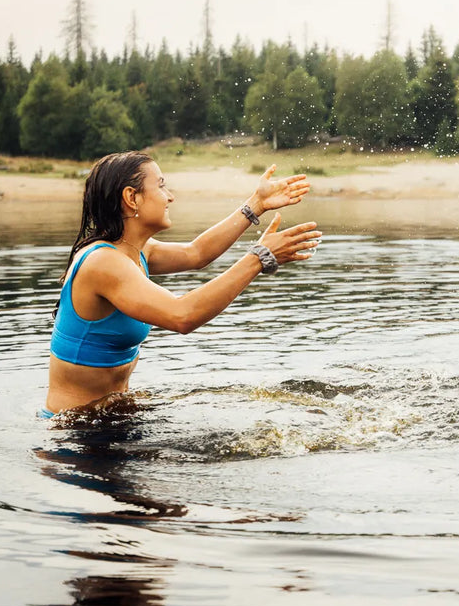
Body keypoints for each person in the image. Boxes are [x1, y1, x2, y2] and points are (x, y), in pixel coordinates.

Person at [43, 151, 322, 418]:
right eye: (161, 186)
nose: (170, 197)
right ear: (131, 197)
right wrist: (258, 258)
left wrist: (255, 205)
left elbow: (197, 253)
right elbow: (182, 316)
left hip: (109, 419)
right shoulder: (103, 263)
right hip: (75, 435)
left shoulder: (136, 251)